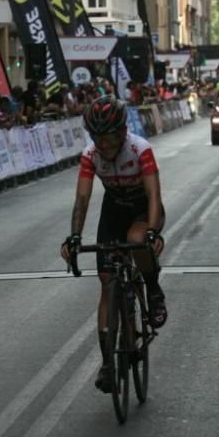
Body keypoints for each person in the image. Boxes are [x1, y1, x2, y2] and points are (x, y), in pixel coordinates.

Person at [60, 96, 167, 393]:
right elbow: (82, 199)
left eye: (110, 139)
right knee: (107, 281)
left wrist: (152, 233)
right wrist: (75, 236)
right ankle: (108, 361)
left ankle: (152, 286)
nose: (104, 147)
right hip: (114, 210)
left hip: (143, 209)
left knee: (136, 239)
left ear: (122, 132)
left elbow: (154, 194)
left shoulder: (140, 149)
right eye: (98, 139)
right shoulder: (90, 155)